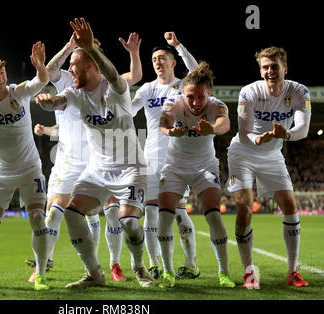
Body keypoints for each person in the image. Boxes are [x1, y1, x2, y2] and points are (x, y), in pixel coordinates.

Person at [36, 18, 153, 288]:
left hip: (130, 168)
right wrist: (48, 101)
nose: (69, 69)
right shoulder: (75, 92)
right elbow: (60, 101)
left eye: (74, 65)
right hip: (98, 169)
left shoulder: (115, 88)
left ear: (90, 65)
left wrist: (92, 48)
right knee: (72, 212)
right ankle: (95, 274)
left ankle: (138, 267)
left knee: (129, 223)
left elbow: (112, 74)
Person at [0, 43, 51, 291]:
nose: (0, 75)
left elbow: (40, 82)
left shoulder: (18, 92)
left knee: (37, 218)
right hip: (1, 172)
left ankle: (40, 275)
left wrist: (40, 67)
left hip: (30, 167)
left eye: (2, 71)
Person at [226, 47, 311, 288]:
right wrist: (257, 139)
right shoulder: (248, 92)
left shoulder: (298, 91)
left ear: (285, 68)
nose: (270, 71)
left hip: (272, 153)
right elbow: (243, 133)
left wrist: (288, 134)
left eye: (274, 66)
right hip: (243, 151)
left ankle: (293, 271)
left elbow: (303, 129)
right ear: (260, 70)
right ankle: (249, 272)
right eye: (265, 67)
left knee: (290, 205)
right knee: (245, 206)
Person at [158, 61, 235, 288]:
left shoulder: (216, 106)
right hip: (174, 166)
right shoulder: (173, 102)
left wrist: (212, 128)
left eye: (201, 97)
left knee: (213, 214)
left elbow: (224, 123)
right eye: (190, 96)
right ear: (183, 93)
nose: (195, 102)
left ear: (209, 94)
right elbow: (164, 121)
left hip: (204, 167)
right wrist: (170, 130)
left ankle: (224, 273)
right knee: (165, 215)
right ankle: (168, 272)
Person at [132, 31, 199, 280]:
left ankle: (191, 264)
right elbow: (128, 109)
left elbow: (197, 71)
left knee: (179, 212)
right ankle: (154, 264)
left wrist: (178, 45)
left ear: (173, 62)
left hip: (177, 158)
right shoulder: (147, 89)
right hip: (151, 156)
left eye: (162, 58)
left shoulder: (182, 86)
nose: (158, 62)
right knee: (150, 212)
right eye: (154, 60)